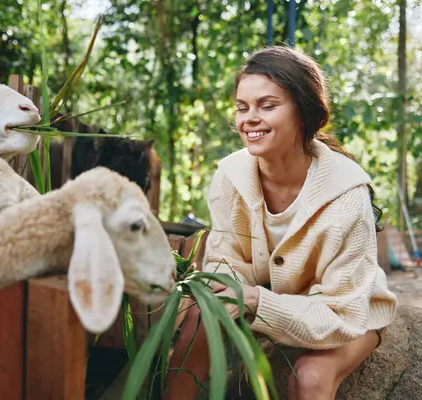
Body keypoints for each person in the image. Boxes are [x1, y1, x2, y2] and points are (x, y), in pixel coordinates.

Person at [164, 46, 398, 400]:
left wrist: (258, 300)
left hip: (346, 313)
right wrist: (232, 294)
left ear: (303, 112)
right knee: (200, 321)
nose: (250, 118)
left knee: (310, 378)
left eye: (267, 105)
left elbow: (342, 312)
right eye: (243, 107)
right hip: (268, 300)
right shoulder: (230, 177)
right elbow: (225, 265)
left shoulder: (347, 194)